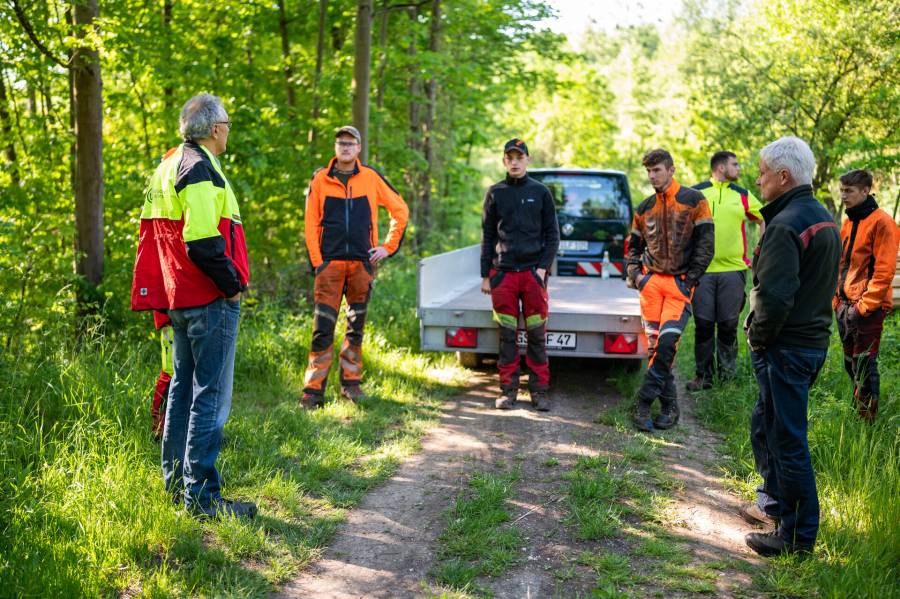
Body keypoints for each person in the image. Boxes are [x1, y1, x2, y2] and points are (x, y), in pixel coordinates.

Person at [132, 93, 256, 519]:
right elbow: (202, 240)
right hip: (207, 299)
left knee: (183, 392)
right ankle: (202, 500)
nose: (228, 131)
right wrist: (232, 285)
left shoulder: (168, 165)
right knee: (209, 396)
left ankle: (176, 488)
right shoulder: (199, 167)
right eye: (228, 124)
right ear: (216, 128)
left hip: (178, 298)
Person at [741, 136, 840, 556]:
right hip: (810, 343)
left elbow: (775, 298)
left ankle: (797, 539)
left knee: (788, 440)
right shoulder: (822, 215)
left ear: (784, 176)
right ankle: (777, 507)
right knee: (765, 425)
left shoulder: (785, 224)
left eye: (763, 173)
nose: (759, 180)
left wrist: (757, 339)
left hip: (786, 348)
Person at [300, 125, 409, 408]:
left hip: (362, 265)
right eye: (341, 143)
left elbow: (400, 210)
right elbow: (311, 224)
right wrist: (318, 262)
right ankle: (313, 391)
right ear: (335, 148)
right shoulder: (321, 180)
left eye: (350, 143)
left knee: (354, 327)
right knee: (322, 328)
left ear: (359, 147)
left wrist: (388, 247)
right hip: (330, 266)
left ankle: (351, 384)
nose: (345, 147)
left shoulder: (371, 178)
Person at [626, 149, 714, 431]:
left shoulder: (694, 200)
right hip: (651, 285)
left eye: (657, 170)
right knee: (655, 347)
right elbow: (633, 246)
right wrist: (637, 276)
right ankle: (669, 405)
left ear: (671, 170)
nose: (652, 176)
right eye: (649, 171)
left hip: (679, 285)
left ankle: (642, 401)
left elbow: (706, 244)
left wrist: (690, 280)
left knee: (667, 343)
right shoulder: (644, 207)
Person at [480, 138, 559, 411]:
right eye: (509, 157)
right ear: (504, 161)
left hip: (532, 275)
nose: (514, 162)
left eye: (519, 157)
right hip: (503, 275)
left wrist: (541, 269)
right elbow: (488, 236)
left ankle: (539, 391)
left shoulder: (541, 192)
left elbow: (553, 235)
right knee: (507, 337)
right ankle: (508, 391)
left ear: (528, 160)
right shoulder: (495, 193)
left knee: (537, 335)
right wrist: (486, 275)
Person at [689, 151, 763, 390]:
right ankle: (703, 376)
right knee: (703, 324)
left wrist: (760, 248)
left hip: (734, 270)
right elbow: (680, 224)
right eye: (735, 164)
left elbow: (764, 218)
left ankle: (727, 379)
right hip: (703, 272)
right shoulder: (697, 192)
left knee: (729, 324)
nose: (738, 168)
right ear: (721, 167)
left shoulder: (742, 195)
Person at [833, 169, 899, 422]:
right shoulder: (849, 221)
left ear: (865, 191)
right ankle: (857, 413)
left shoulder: (883, 222)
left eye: (848, 191)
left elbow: (884, 271)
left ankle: (866, 421)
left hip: (867, 309)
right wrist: (836, 301)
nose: (843, 196)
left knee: (864, 364)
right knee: (850, 363)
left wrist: (863, 308)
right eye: (842, 190)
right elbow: (841, 262)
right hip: (844, 305)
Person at [150, 311, 174, 440]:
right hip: (172, 325)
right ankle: (160, 429)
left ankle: (161, 428)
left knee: (170, 373)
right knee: (170, 374)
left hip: (173, 323)